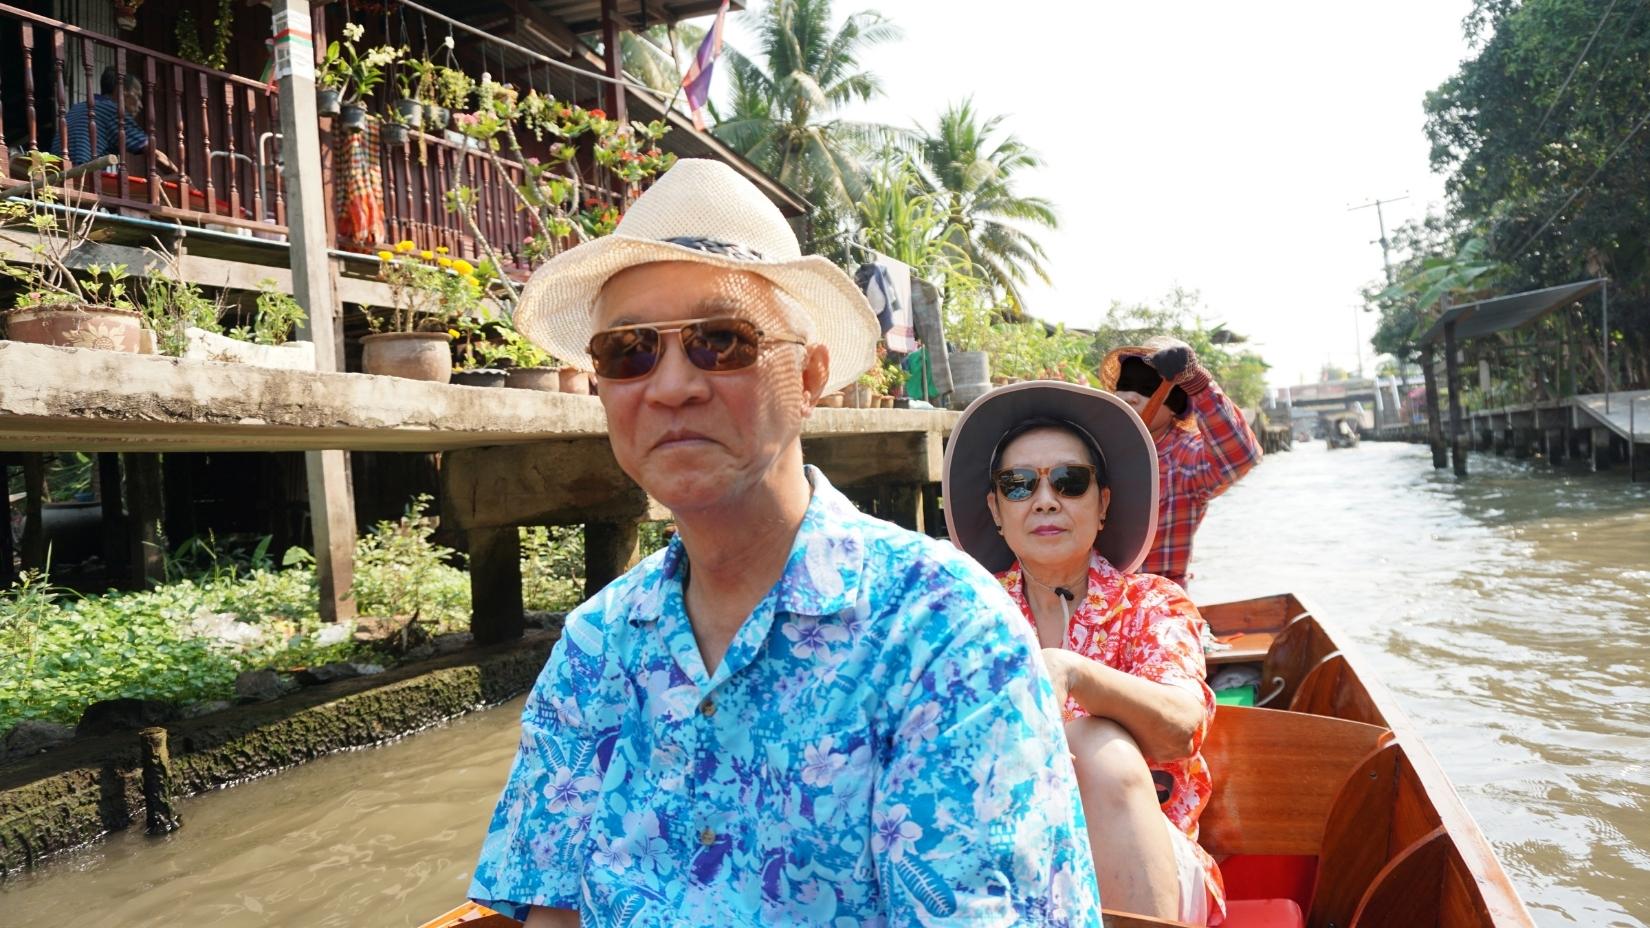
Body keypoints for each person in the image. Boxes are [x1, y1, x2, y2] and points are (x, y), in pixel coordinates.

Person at [466, 159, 1102, 927]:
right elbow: (550, 913)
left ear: (808, 376)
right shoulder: (595, 647)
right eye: (629, 351)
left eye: (720, 341)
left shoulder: (942, 631)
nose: (670, 387)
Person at [942, 381, 1225, 925]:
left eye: (1069, 483)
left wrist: (1071, 672)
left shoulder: (1152, 604)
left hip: (1147, 869)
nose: (1045, 500)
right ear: (997, 511)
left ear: (1103, 505)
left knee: (1101, 744)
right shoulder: (967, 618)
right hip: (1007, 865)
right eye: (1019, 485)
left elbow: (1182, 726)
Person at [1099, 337, 1261, 590]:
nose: (1130, 396)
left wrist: (1197, 382)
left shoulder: (1184, 455)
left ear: (1175, 406)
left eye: (1147, 388)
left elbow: (1239, 457)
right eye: (1125, 385)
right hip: (1095, 599)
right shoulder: (1096, 446)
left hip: (1159, 603)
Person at [50, 67, 178, 173]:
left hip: (56, 174)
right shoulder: (114, 112)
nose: (140, 105)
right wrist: (182, 178)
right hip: (82, 177)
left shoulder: (82, 106)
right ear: (121, 91)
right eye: (137, 96)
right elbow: (154, 154)